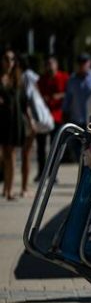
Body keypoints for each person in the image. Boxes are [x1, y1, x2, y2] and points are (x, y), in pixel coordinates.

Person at [0, 50, 33, 200]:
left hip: (14, 122)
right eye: (6, 58)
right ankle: (5, 187)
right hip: (2, 120)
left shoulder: (18, 79)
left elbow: (25, 104)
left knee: (11, 156)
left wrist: (31, 122)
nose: (9, 62)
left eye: (12, 59)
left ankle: (9, 190)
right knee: (3, 155)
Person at [36, 56, 68, 180]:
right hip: (43, 117)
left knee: (55, 146)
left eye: (51, 64)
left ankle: (53, 174)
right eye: (47, 64)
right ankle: (41, 172)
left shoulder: (63, 77)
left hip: (57, 116)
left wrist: (59, 96)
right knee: (41, 146)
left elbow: (68, 93)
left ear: (56, 64)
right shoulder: (41, 80)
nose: (49, 67)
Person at [19, 55, 40, 195]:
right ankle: (24, 187)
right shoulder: (30, 76)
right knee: (26, 153)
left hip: (22, 117)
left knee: (22, 153)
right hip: (27, 117)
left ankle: (22, 186)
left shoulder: (22, 77)